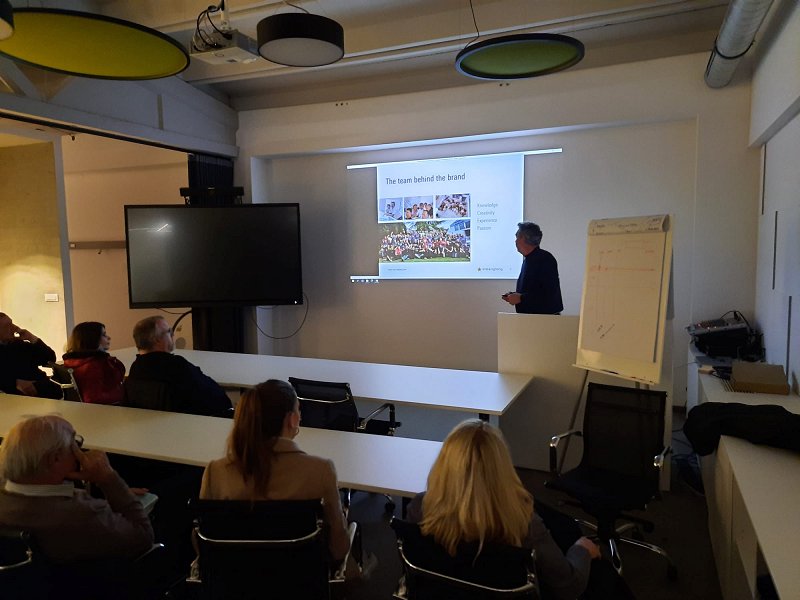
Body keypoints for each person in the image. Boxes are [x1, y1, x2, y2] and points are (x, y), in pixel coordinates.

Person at [407, 419, 599, 600]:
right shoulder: (523, 523)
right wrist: (582, 550)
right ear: (502, 468)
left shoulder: (420, 508)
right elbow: (568, 587)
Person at [199, 379, 351, 561]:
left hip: (234, 574)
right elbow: (338, 548)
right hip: (301, 574)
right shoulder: (320, 471)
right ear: (292, 420)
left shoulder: (216, 472)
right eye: (299, 410)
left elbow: (204, 542)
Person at [0, 415, 154, 563]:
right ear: (55, 458)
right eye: (74, 443)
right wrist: (108, 479)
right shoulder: (81, 515)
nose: (80, 451)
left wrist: (112, 496)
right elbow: (143, 537)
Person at [125, 316, 231, 417]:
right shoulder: (176, 366)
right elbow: (214, 395)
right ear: (156, 339)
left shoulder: (135, 369)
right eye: (169, 331)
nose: (173, 334)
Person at [502, 222, 564, 315]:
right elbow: (534, 290)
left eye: (517, 237)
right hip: (532, 318)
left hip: (545, 319)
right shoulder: (529, 259)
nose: (515, 241)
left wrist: (521, 298)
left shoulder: (545, 259)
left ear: (524, 238)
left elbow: (549, 295)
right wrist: (516, 296)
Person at [0, 312, 61, 399]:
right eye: (7, 326)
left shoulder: (19, 345)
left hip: (41, 386)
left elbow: (50, 358)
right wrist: (14, 382)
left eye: (12, 323)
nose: (14, 327)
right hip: (17, 394)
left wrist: (31, 338)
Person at [62, 321, 126, 405]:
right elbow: (94, 398)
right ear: (93, 339)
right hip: (109, 409)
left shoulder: (71, 362)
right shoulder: (95, 365)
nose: (109, 337)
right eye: (104, 335)